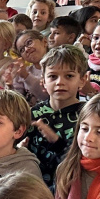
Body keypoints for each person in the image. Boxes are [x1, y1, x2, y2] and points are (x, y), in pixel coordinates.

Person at [27, 45, 87, 187]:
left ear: (82, 80)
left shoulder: (88, 116)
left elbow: (85, 159)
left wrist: (56, 142)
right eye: (53, 76)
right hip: (33, 187)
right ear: (43, 81)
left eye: (69, 76)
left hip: (70, 187)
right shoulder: (32, 114)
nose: (60, 82)